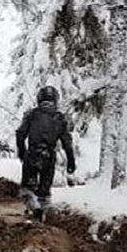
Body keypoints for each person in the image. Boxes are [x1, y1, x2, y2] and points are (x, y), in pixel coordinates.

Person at [16, 85, 76, 221]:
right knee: (44, 191)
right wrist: (71, 161)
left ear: (39, 99)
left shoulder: (31, 114)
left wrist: (21, 151)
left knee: (27, 189)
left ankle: (34, 210)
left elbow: (20, 133)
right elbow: (67, 141)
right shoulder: (59, 118)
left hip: (32, 154)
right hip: (49, 156)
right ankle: (42, 219)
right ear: (55, 100)